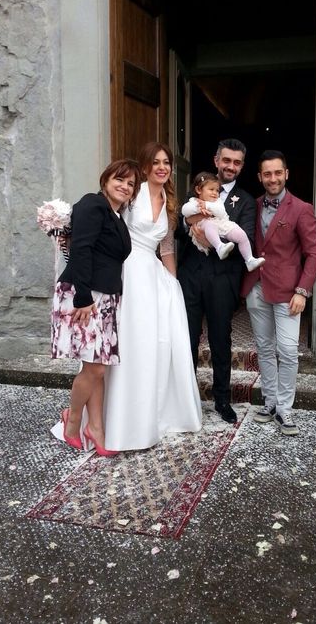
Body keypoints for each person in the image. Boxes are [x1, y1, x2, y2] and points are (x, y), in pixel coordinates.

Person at [102, 142, 202, 451]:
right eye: (156, 162)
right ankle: (118, 419)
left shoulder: (170, 202)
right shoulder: (133, 194)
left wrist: (172, 282)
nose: (162, 167)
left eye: (166, 162)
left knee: (155, 343)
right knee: (129, 339)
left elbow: (167, 247)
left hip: (153, 274)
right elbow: (111, 224)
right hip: (127, 270)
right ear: (146, 167)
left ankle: (152, 414)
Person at [50, 159, 138, 456]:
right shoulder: (92, 204)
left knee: (97, 367)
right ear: (105, 180)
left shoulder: (116, 216)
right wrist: (83, 297)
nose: (125, 186)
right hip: (85, 295)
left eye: (131, 184)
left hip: (106, 298)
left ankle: (96, 429)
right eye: (119, 179)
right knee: (96, 367)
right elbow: (81, 248)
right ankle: (73, 419)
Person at [241, 150, 316, 436]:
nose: (273, 178)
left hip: (289, 292)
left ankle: (285, 408)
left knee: (287, 350)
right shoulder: (252, 205)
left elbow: (314, 254)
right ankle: (270, 402)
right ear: (260, 177)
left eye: (278, 173)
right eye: (267, 174)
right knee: (264, 348)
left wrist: (302, 291)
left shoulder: (301, 209)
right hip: (257, 287)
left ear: (286, 174)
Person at [176, 138, 256, 424]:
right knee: (187, 337)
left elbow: (247, 236)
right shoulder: (197, 191)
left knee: (220, 339)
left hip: (223, 278)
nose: (230, 166)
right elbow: (177, 229)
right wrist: (188, 223)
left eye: (236, 162)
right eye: (226, 160)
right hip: (190, 275)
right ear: (216, 160)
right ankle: (185, 400)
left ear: (242, 166)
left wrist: (210, 237)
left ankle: (222, 398)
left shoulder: (246, 201)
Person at [182, 171, 265, 271]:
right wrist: (198, 209)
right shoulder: (194, 200)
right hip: (203, 225)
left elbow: (221, 212)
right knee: (209, 225)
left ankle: (249, 259)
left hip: (221, 225)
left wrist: (207, 205)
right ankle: (219, 246)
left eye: (217, 190)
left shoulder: (218, 201)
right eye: (211, 189)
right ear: (198, 190)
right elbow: (185, 211)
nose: (215, 193)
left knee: (241, 234)